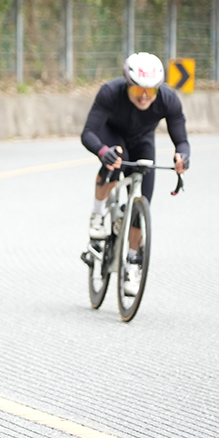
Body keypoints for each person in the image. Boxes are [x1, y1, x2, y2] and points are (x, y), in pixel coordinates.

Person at [80, 52, 189, 296]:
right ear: (127, 84)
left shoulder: (168, 99)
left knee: (144, 200)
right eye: (138, 89)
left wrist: (182, 156)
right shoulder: (110, 92)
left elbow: (182, 140)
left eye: (151, 91)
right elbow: (88, 133)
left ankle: (132, 262)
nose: (144, 96)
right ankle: (97, 214)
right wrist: (103, 151)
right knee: (115, 161)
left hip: (142, 140)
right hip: (112, 135)